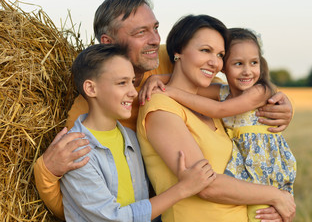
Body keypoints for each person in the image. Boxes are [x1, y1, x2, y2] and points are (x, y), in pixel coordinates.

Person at [33, 0, 294, 220]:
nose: (155, 39)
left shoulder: (163, 60)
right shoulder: (87, 110)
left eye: (155, 28)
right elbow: (81, 205)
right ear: (108, 42)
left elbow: (225, 88)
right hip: (153, 208)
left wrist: (277, 101)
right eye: (141, 32)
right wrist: (46, 171)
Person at [136, 14, 296, 222]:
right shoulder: (161, 107)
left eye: (220, 55)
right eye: (205, 50)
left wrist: (276, 209)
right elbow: (206, 185)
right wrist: (277, 196)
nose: (214, 63)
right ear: (178, 52)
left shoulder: (219, 106)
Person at [59, 43, 216, 221]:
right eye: (122, 83)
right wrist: (183, 189)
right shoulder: (76, 153)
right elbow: (114, 218)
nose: (133, 92)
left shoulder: (132, 138)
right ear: (91, 89)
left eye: (132, 82)